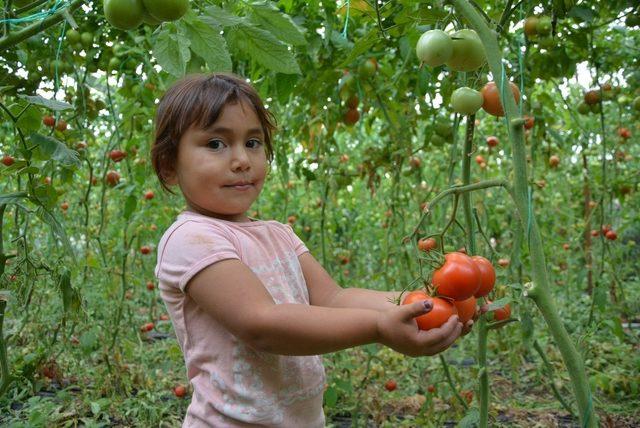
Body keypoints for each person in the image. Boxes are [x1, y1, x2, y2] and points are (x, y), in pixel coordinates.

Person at [151, 73, 468, 427]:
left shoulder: (278, 234)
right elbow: (261, 324)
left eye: (253, 142)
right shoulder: (191, 238)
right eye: (215, 144)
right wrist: (379, 327)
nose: (242, 159)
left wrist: (424, 303)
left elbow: (333, 297)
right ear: (169, 167)